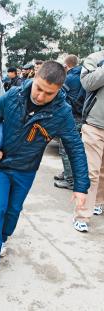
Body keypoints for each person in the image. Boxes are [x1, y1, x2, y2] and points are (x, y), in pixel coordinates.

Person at [0, 61, 90, 280]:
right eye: (39, 88)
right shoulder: (13, 95)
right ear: (35, 76)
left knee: (13, 211)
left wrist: (81, 187)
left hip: (26, 171)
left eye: (48, 93)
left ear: (58, 91)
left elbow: (75, 148)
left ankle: (2, 239)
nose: (40, 96)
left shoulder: (62, 113)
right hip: (1, 166)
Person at [73, 49, 104, 231]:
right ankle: (82, 215)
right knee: (91, 172)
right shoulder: (95, 58)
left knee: (102, 171)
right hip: (94, 125)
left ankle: (98, 202)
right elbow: (87, 83)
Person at [54, 55, 85, 191]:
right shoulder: (83, 76)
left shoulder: (69, 78)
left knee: (65, 149)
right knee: (74, 149)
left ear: (66, 66)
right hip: (81, 117)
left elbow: (58, 96)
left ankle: (70, 180)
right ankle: (67, 174)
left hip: (70, 117)